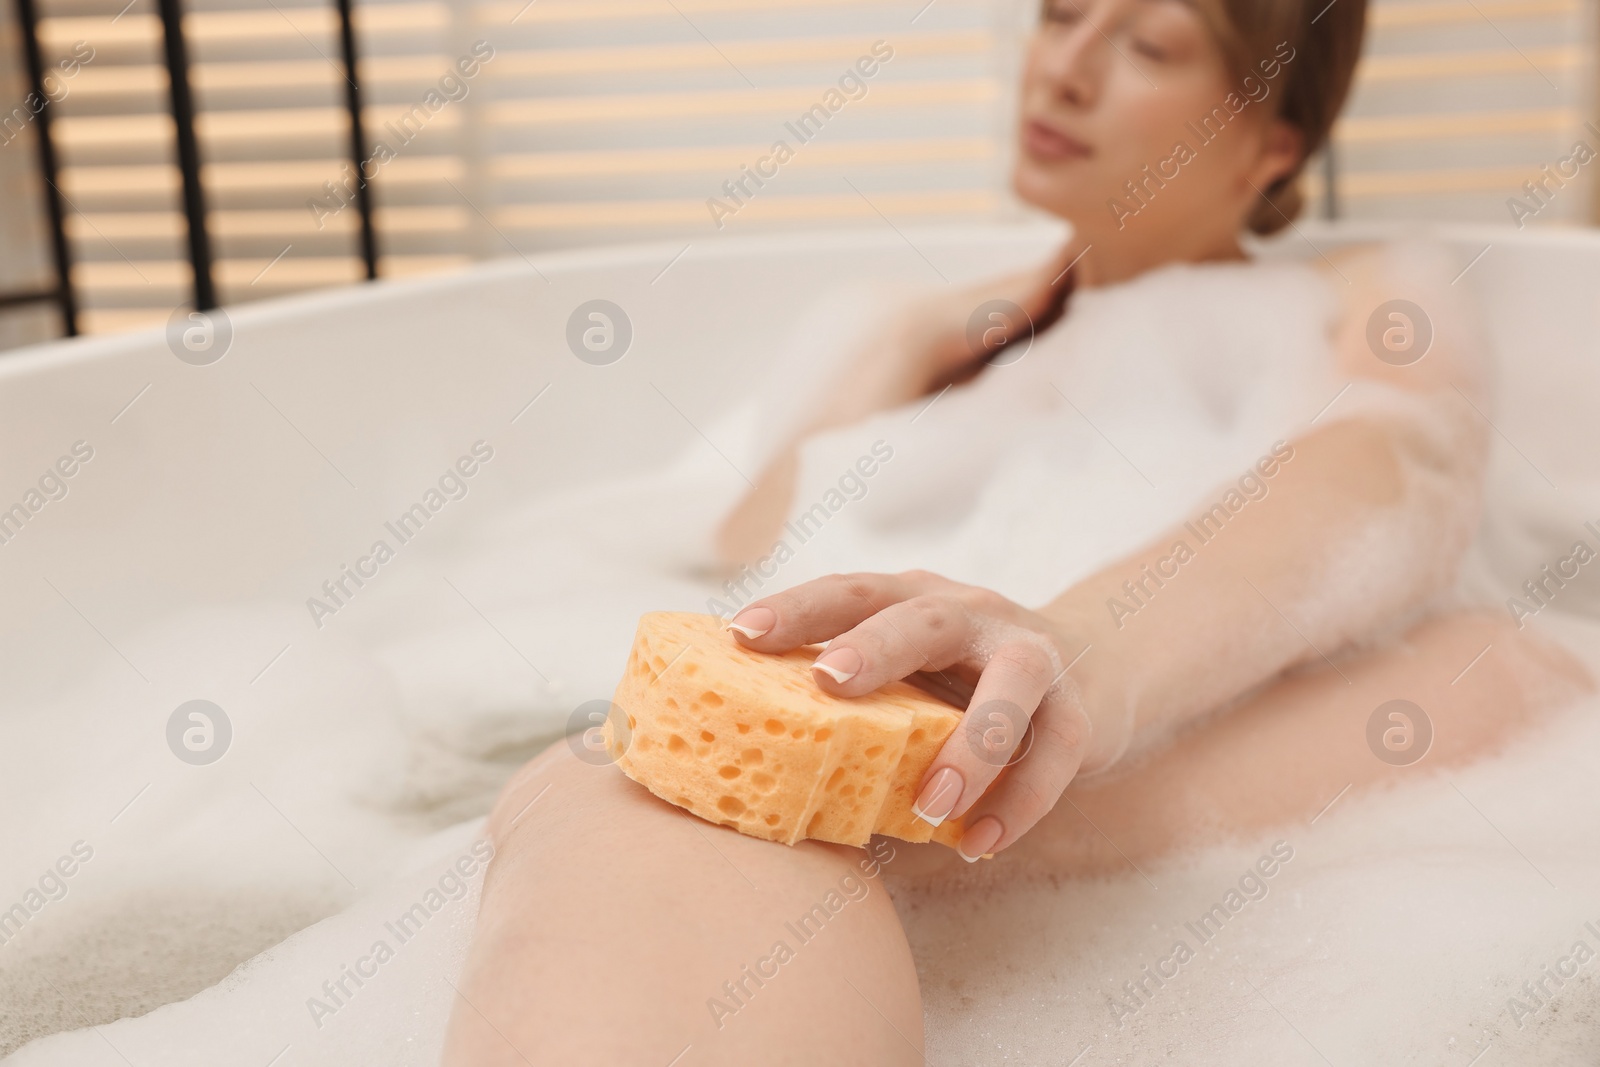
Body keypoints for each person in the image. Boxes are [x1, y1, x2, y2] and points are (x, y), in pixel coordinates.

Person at [443, 1, 1591, 1062]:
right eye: (1059, 14)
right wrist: (904, 349)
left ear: (1273, 148)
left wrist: (1076, 650)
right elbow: (739, 539)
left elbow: (1391, 465)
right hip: (950, 764)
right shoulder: (938, 326)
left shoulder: (1367, 289)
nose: (1066, 68)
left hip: (1164, 713)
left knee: (688, 792)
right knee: (642, 777)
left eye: (1145, 44)